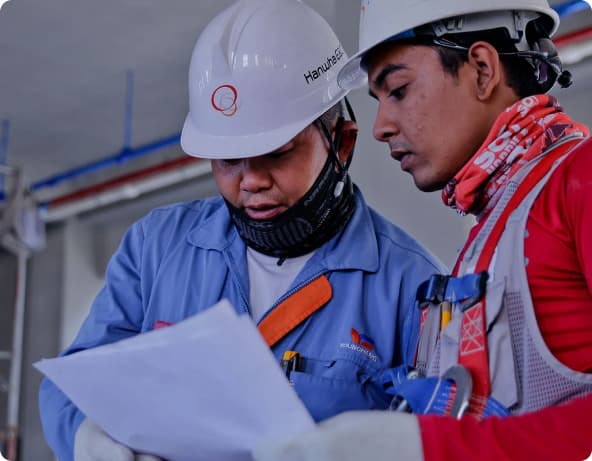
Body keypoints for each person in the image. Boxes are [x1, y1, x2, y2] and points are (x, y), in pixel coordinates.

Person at [38, 1, 444, 460]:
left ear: (342, 142)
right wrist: (84, 437)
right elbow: (73, 383)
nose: (250, 181)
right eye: (229, 160)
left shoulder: (415, 289)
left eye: (276, 153)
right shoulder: (155, 248)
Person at [252, 0, 592, 460]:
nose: (381, 128)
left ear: (481, 68)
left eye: (398, 90)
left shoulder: (580, 178)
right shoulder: (495, 227)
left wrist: (427, 447)